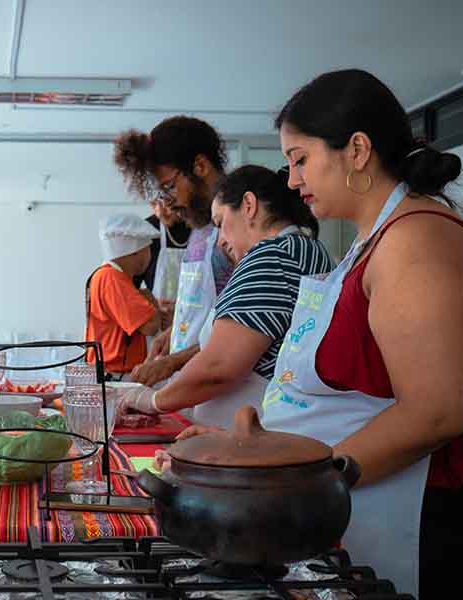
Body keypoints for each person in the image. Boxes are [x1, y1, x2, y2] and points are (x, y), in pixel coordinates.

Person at [175, 69, 462, 598]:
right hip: (359, 500)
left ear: (356, 150)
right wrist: (253, 449)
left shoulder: (414, 238)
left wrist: (304, 480)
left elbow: (438, 410)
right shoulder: (370, 241)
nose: (290, 180)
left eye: (300, 159)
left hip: (421, 514)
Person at [118, 165, 333, 429]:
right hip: (252, 432)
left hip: (255, 432)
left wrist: (150, 399)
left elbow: (220, 367)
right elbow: (251, 336)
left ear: (249, 205)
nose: (220, 241)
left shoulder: (273, 256)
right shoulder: (303, 248)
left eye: (220, 223)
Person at [113, 117, 236, 394]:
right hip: (190, 391)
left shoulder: (236, 228)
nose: (167, 201)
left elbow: (240, 330)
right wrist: (172, 336)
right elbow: (206, 313)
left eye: (169, 186)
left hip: (223, 397)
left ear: (200, 166)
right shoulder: (199, 228)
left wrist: (172, 362)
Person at [85, 213, 163, 379]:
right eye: (148, 249)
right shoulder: (112, 278)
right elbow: (151, 326)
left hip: (112, 374)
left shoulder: (107, 276)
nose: (149, 256)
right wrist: (150, 299)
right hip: (114, 376)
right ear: (135, 252)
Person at [132, 201, 190, 331]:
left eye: (166, 201)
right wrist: (153, 309)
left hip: (192, 322)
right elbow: (130, 286)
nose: (160, 209)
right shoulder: (147, 229)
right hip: (158, 324)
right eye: (155, 203)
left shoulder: (201, 228)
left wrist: (179, 316)